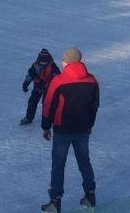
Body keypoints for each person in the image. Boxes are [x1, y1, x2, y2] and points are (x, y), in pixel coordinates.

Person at [41, 48, 99, 213]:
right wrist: (90, 125)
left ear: (67, 62)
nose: (61, 62)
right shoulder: (92, 81)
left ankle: (55, 201)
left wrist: (46, 127)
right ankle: (90, 195)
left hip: (63, 131)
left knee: (58, 165)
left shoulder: (59, 81)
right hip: (83, 130)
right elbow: (95, 106)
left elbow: (48, 106)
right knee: (84, 161)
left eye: (63, 59)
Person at [21, 48, 61, 125]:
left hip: (48, 88)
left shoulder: (52, 66)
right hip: (37, 87)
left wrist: (58, 87)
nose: (43, 63)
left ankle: (47, 119)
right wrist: (26, 83)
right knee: (32, 102)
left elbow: (58, 77)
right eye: (41, 61)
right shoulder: (35, 65)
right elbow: (30, 75)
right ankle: (29, 118)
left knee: (47, 104)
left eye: (45, 61)